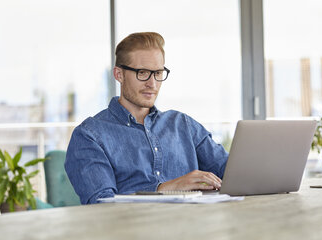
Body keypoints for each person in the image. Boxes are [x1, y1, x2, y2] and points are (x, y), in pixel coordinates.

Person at [65, 32, 229, 204]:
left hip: (194, 225)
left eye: (158, 73)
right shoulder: (89, 135)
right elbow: (101, 203)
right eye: (142, 73)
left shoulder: (183, 125)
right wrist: (167, 188)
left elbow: (231, 171)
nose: (152, 84)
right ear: (119, 74)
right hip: (131, 229)